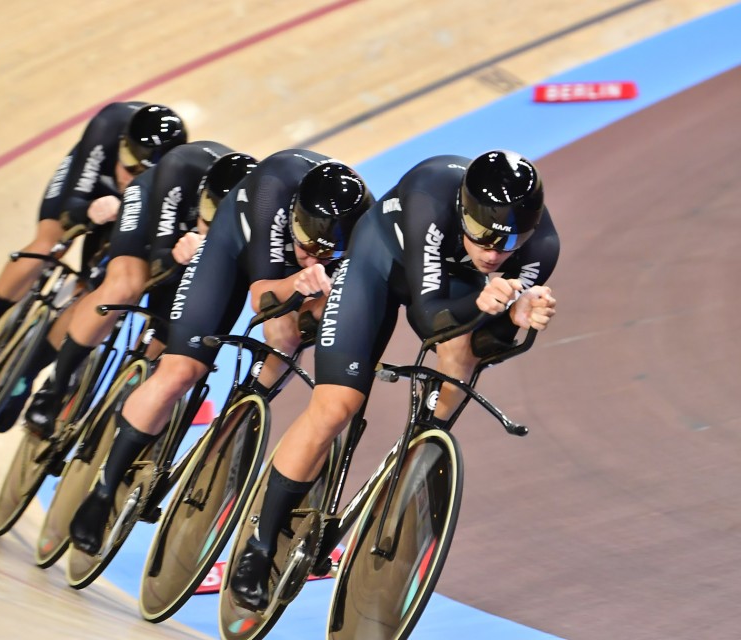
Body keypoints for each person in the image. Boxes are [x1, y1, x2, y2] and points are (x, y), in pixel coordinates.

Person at [228, 149, 560, 610]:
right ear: (462, 211)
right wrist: (488, 304)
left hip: (453, 286)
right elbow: (428, 315)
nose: (493, 253)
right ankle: (259, 547)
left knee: (462, 355)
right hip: (380, 263)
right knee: (335, 407)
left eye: (509, 244)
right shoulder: (430, 195)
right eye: (483, 236)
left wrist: (513, 320)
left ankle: (423, 445)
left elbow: (486, 346)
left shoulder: (542, 249)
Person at [67, 149, 375, 555]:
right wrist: (300, 279)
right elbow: (262, 296)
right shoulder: (274, 190)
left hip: (295, 271)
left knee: (294, 332)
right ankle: (103, 491)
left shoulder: (359, 226)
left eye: (324, 251)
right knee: (180, 371)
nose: (311, 254)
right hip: (233, 246)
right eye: (305, 244)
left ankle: (249, 406)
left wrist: (319, 294)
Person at [19, 144, 260, 437]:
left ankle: (120, 414)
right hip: (152, 211)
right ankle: (54, 389)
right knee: (124, 287)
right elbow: (158, 262)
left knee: (169, 343)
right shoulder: (181, 170)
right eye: (208, 211)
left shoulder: (257, 224)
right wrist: (176, 256)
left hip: (197, 248)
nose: (210, 225)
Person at [0, 102, 188, 379]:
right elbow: (72, 206)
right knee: (48, 243)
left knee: (93, 291)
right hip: (88, 189)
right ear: (121, 145)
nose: (130, 177)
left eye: (143, 175)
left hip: (132, 214)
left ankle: (25, 378)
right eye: (128, 164)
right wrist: (88, 211)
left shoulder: (171, 186)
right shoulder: (107, 128)